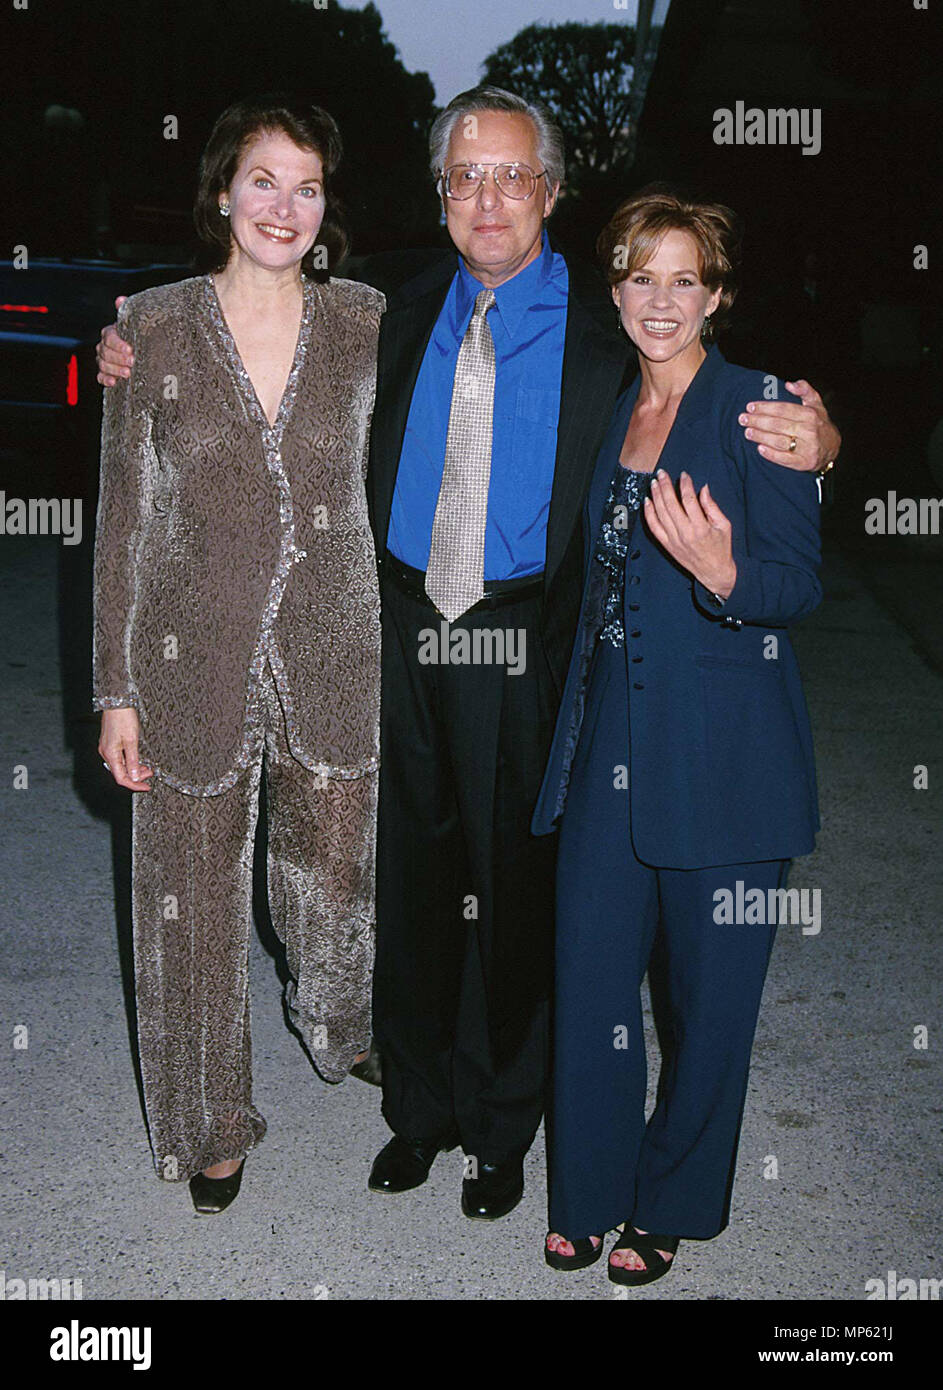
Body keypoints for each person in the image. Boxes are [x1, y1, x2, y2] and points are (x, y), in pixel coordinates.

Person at [97, 88, 840, 1223]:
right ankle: (421, 1106)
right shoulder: (384, 309)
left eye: (511, 175)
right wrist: (126, 344)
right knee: (407, 877)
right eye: (464, 176)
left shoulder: (610, 327)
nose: (488, 199)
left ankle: (500, 1127)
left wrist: (822, 442)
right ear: (439, 194)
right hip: (392, 621)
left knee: (515, 889)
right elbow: (235, 318)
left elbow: (710, 388)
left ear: (551, 190)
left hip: (525, 633)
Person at [93, 95, 384, 1213]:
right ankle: (210, 1122)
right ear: (222, 191)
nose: (284, 206)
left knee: (336, 874)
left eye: (307, 187)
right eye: (264, 179)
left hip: (334, 646)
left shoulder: (368, 322)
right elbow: (124, 517)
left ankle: (340, 1021)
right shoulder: (151, 326)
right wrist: (116, 691)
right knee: (189, 899)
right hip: (186, 655)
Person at [534, 188, 822, 1284]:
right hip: (608, 728)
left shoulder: (759, 408)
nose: (660, 299)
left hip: (728, 749)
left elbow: (796, 584)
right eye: (640, 276)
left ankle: (669, 1204)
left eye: (684, 279)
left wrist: (725, 573)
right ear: (614, 289)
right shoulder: (610, 407)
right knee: (590, 975)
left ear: (717, 295)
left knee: (711, 1000)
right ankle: (587, 1191)